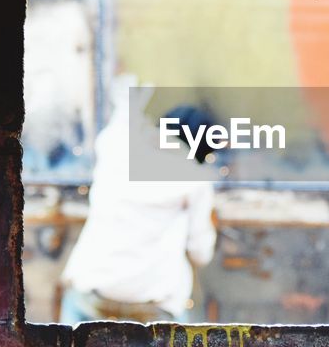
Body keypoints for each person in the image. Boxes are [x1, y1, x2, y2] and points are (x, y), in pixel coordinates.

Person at [59, 79, 217, 324]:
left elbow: (120, 121)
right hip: (153, 305)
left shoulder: (116, 149)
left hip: (94, 290)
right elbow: (201, 253)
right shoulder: (196, 180)